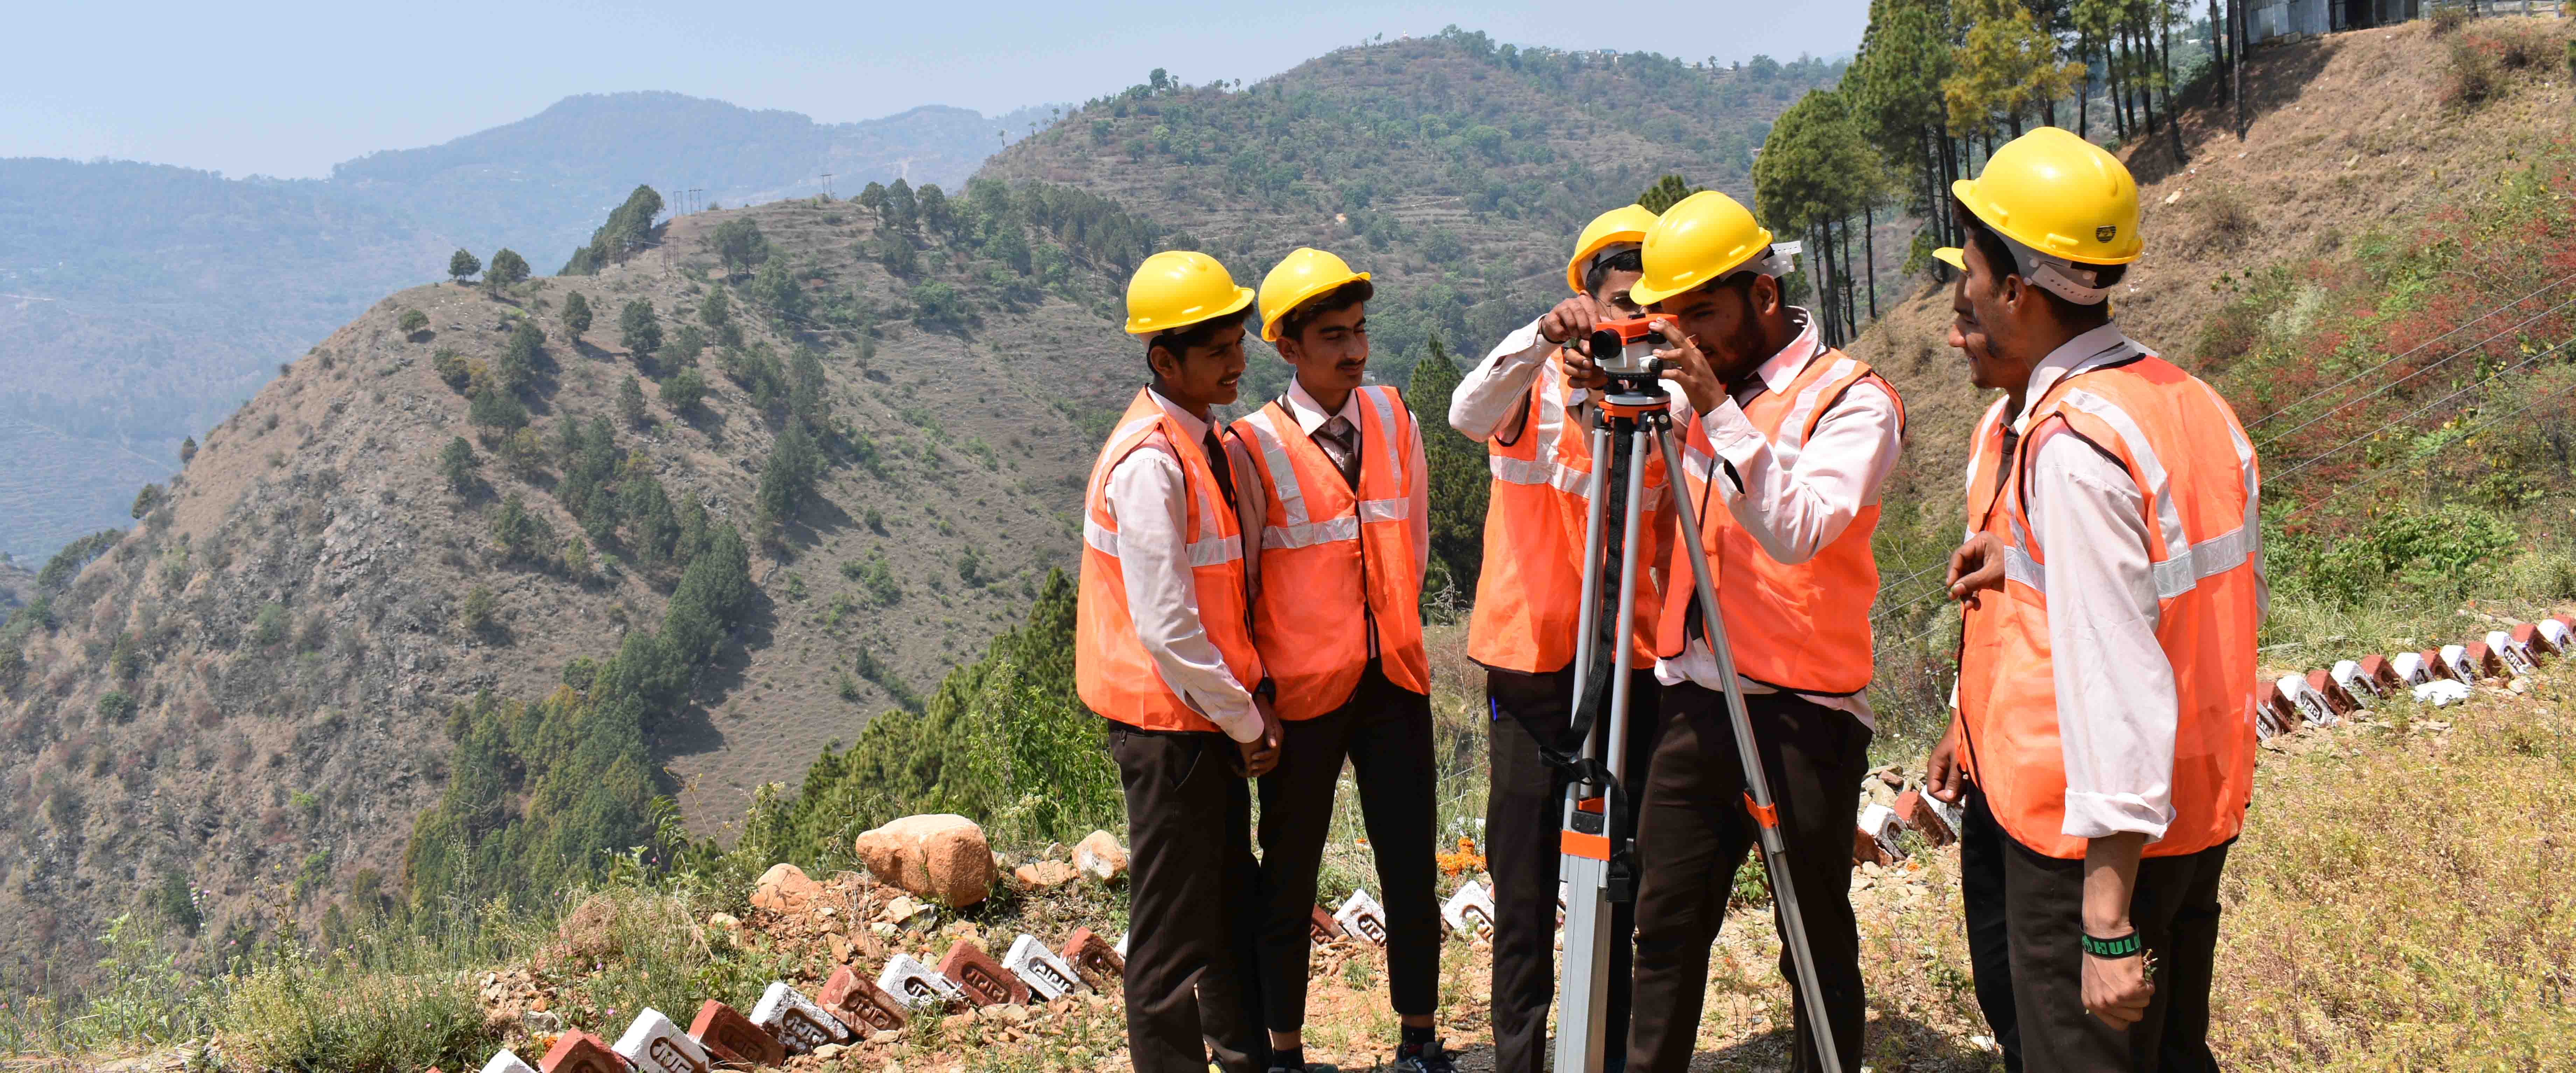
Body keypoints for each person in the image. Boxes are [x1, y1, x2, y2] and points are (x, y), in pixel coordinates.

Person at [1923, 127, 2262, 1073]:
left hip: (2091, 840)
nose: (1964, 299)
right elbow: (2201, 598)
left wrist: (2104, 919)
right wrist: (2028, 556)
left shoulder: (2075, 448)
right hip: (2197, 808)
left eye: (1974, 277)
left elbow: (2115, 680)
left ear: (2018, 292)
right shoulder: (2186, 400)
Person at [1611, 190, 1906, 1073]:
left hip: (1802, 709)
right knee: (1662, 928)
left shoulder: (1852, 401)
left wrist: (1713, 409)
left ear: (1763, 297)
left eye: (1703, 311)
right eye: (1674, 316)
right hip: (1696, 695)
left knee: (1810, 935)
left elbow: (1801, 528)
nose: (1688, 334)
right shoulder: (1704, 392)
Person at [1447, 204, 1678, 1073]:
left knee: (1621, 870)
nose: (1629, 324)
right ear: (1581, 297)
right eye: (1616, 303)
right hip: (1528, 659)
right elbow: (1466, 410)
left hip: (1629, 659)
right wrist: (1543, 341)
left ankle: (1607, 1050)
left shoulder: (1668, 390)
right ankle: (1521, 1058)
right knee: (1522, 874)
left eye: (1646, 308)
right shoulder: (1528, 382)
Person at [1227, 248, 1451, 1073]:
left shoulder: (1395, 418)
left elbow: (1412, 538)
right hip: (1301, 693)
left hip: (1393, 679)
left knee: (1409, 865)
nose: (1354, 352)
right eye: (1332, 337)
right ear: (1286, 348)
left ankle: (1420, 1040)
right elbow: (1243, 579)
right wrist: (1256, 697)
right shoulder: (1251, 445)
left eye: (1359, 332)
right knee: (1287, 878)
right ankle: (1283, 1051)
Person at [1076, 250, 1283, 1073]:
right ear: (1164, 360)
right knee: (1167, 938)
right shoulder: (1152, 463)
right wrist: (1246, 717)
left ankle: (1242, 1057)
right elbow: (1168, 629)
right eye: (1217, 350)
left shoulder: (1201, 443)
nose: (1237, 361)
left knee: (1228, 904)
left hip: (1200, 721)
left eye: (1238, 342)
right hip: (1171, 730)